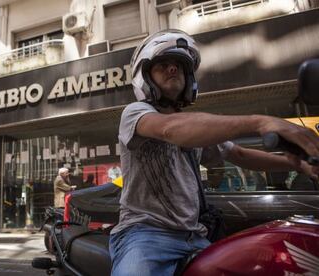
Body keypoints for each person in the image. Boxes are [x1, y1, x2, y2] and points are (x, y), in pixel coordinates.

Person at [109, 29, 319, 276]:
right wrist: (261, 122)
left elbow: (239, 155)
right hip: (144, 235)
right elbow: (169, 129)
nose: (173, 69)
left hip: (194, 235)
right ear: (145, 76)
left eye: (178, 65)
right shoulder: (135, 113)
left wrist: (297, 165)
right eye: (163, 64)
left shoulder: (196, 128)